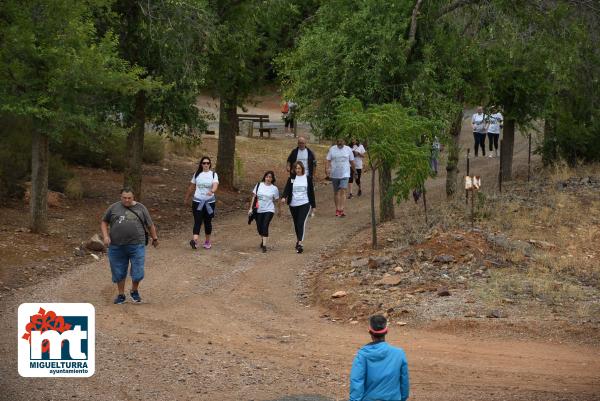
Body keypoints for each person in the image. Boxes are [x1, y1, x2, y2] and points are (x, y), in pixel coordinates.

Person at [101, 187, 158, 304]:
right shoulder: (113, 208)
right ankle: (121, 295)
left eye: (129, 198)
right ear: (120, 197)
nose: (126, 200)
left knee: (138, 271)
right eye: (124, 198)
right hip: (116, 245)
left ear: (133, 197)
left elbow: (150, 224)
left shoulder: (141, 208)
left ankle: (134, 291)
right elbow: (104, 222)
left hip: (137, 245)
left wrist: (155, 238)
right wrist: (106, 236)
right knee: (118, 271)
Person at [349, 315, 410, 401]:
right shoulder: (399, 353)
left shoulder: (362, 355)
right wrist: (402, 398)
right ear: (386, 331)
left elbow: (356, 381)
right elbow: (404, 381)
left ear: (370, 331)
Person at [281, 161, 316, 254]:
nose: (297, 170)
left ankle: (300, 243)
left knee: (301, 223)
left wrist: (313, 206)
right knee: (296, 224)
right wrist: (284, 197)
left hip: (305, 203)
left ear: (302, 169)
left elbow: (311, 192)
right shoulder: (291, 178)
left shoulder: (307, 178)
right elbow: (287, 189)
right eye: (296, 168)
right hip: (293, 204)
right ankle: (298, 240)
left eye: (299, 168)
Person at [184, 156, 219, 250]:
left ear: (210, 164)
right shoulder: (197, 174)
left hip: (209, 202)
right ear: (201, 164)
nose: (206, 165)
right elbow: (191, 187)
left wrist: (212, 191)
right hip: (197, 201)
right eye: (204, 163)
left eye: (208, 163)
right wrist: (186, 198)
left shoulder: (213, 174)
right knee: (197, 221)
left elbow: (215, 185)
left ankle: (207, 242)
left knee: (208, 222)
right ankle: (194, 241)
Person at [248, 171, 280, 253]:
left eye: (270, 177)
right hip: (258, 209)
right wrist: (251, 208)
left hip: (269, 210)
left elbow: (277, 200)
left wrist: (279, 210)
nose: (268, 178)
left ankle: (264, 246)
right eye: (267, 176)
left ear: (272, 179)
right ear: (264, 177)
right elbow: (254, 197)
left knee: (265, 225)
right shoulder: (259, 185)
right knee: (259, 227)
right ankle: (263, 239)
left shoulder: (274, 188)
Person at [326, 138, 355, 217]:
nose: (339, 142)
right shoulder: (332, 149)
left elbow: (351, 161)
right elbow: (328, 160)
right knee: (336, 192)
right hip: (334, 174)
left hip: (345, 174)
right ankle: (337, 209)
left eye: (341, 141)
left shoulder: (348, 149)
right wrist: (327, 169)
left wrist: (354, 170)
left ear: (344, 142)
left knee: (343, 190)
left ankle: (341, 209)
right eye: (338, 141)